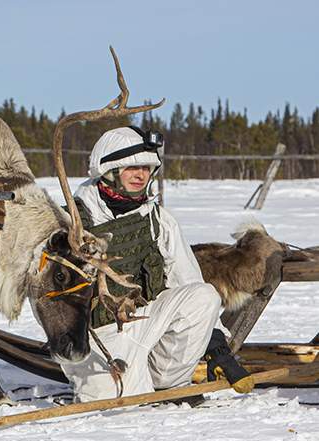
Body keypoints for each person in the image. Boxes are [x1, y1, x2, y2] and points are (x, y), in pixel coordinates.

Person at [59, 126, 253, 403]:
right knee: (122, 406)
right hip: (95, 335)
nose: (142, 175)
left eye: (148, 168)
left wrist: (217, 347)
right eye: (132, 167)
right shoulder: (71, 221)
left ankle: (169, 383)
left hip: (146, 320)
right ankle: (121, 381)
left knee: (204, 295)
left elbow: (188, 281)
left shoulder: (157, 219)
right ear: (109, 169)